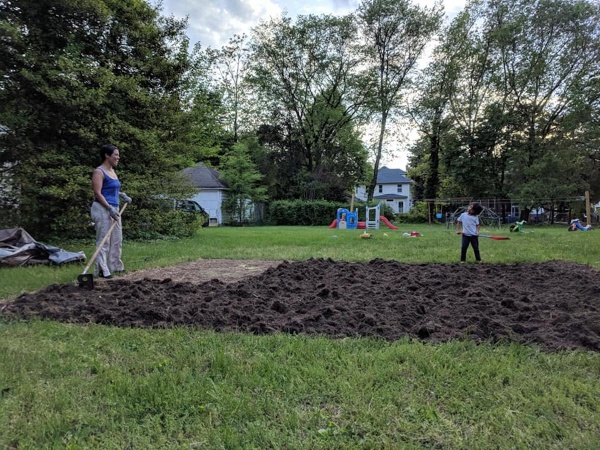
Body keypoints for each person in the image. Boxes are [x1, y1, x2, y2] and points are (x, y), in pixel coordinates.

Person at [91, 144, 132, 278]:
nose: (118, 157)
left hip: (115, 208)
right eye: (115, 154)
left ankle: (115, 267)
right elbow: (98, 193)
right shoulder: (99, 171)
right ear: (107, 155)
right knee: (104, 240)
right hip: (102, 208)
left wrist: (122, 195)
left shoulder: (112, 171)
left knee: (116, 239)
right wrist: (109, 208)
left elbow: (111, 189)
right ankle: (103, 270)